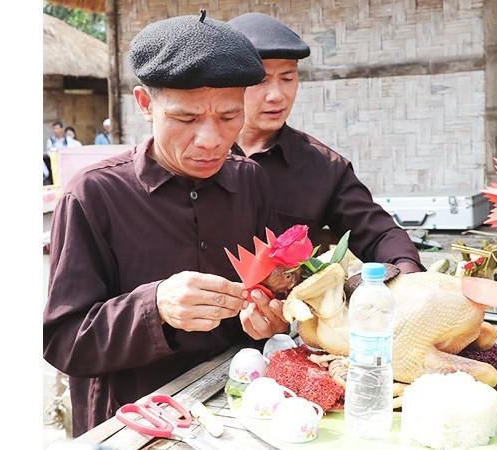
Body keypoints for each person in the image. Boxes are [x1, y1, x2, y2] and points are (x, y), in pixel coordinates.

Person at [43, 11, 289, 437]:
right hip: (134, 426)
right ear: (145, 104)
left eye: (230, 117)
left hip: (237, 416)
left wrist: (273, 314)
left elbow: (272, 288)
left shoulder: (251, 181)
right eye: (187, 119)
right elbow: (63, 341)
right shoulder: (93, 195)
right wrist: (153, 306)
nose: (210, 139)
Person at [228, 13, 424, 274]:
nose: (277, 96)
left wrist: (407, 270)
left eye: (287, 78)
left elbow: (378, 234)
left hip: (283, 312)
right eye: (261, 81)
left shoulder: (323, 167)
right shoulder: (194, 156)